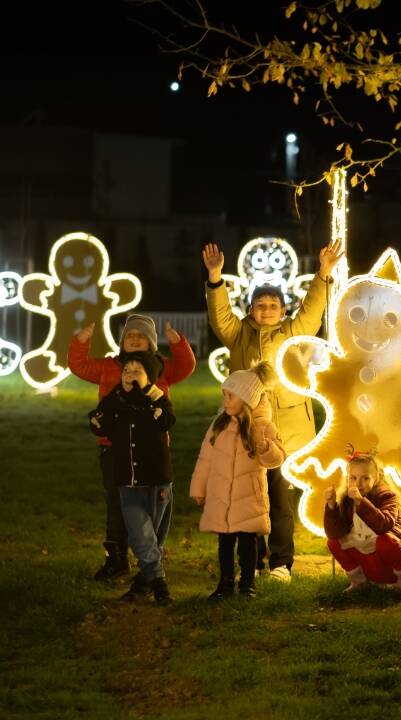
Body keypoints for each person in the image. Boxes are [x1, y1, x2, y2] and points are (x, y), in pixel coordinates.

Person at [202, 240, 343, 582]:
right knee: (249, 500)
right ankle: (254, 557)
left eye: (273, 304)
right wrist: (215, 277)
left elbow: (311, 311)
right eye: (260, 304)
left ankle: (281, 562)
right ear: (250, 310)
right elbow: (220, 316)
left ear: (283, 309)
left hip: (286, 437)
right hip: (248, 433)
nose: (266, 309)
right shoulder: (238, 336)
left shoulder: (293, 333)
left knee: (280, 501)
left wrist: (324, 273)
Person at [69, 315, 195, 581]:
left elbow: (185, 367)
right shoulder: (108, 366)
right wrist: (81, 342)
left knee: (149, 504)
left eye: (141, 336)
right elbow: (79, 365)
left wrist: (178, 343)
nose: (135, 339)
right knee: (117, 502)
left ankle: (150, 558)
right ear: (122, 342)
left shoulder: (160, 367)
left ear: (150, 342)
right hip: (113, 449)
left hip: (151, 449)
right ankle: (116, 558)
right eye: (130, 335)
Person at [189, 363, 286, 600]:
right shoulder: (219, 425)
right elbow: (206, 458)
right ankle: (225, 584)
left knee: (247, 544)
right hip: (222, 496)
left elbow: (277, 458)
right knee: (224, 544)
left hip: (248, 498)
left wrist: (264, 446)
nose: (225, 400)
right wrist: (198, 487)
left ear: (246, 398)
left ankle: (247, 584)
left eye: (230, 395)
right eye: (224, 395)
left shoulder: (262, 427)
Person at [87, 352, 177, 606]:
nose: (130, 376)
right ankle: (160, 585)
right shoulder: (114, 400)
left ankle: (143, 584)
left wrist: (149, 402)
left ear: (150, 377)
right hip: (127, 482)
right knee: (140, 535)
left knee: (154, 538)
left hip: (157, 481)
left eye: (137, 371)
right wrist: (97, 421)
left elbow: (167, 420)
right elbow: (99, 423)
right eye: (126, 371)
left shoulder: (156, 399)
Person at [323, 449, 401, 598]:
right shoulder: (346, 501)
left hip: (390, 557)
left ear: (377, 477)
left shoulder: (388, 497)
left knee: (385, 541)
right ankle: (360, 583)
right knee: (333, 542)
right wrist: (331, 506)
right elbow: (334, 532)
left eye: (365, 478)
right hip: (368, 559)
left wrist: (361, 502)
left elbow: (383, 525)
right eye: (353, 478)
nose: (358, 483)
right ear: (347, 479)